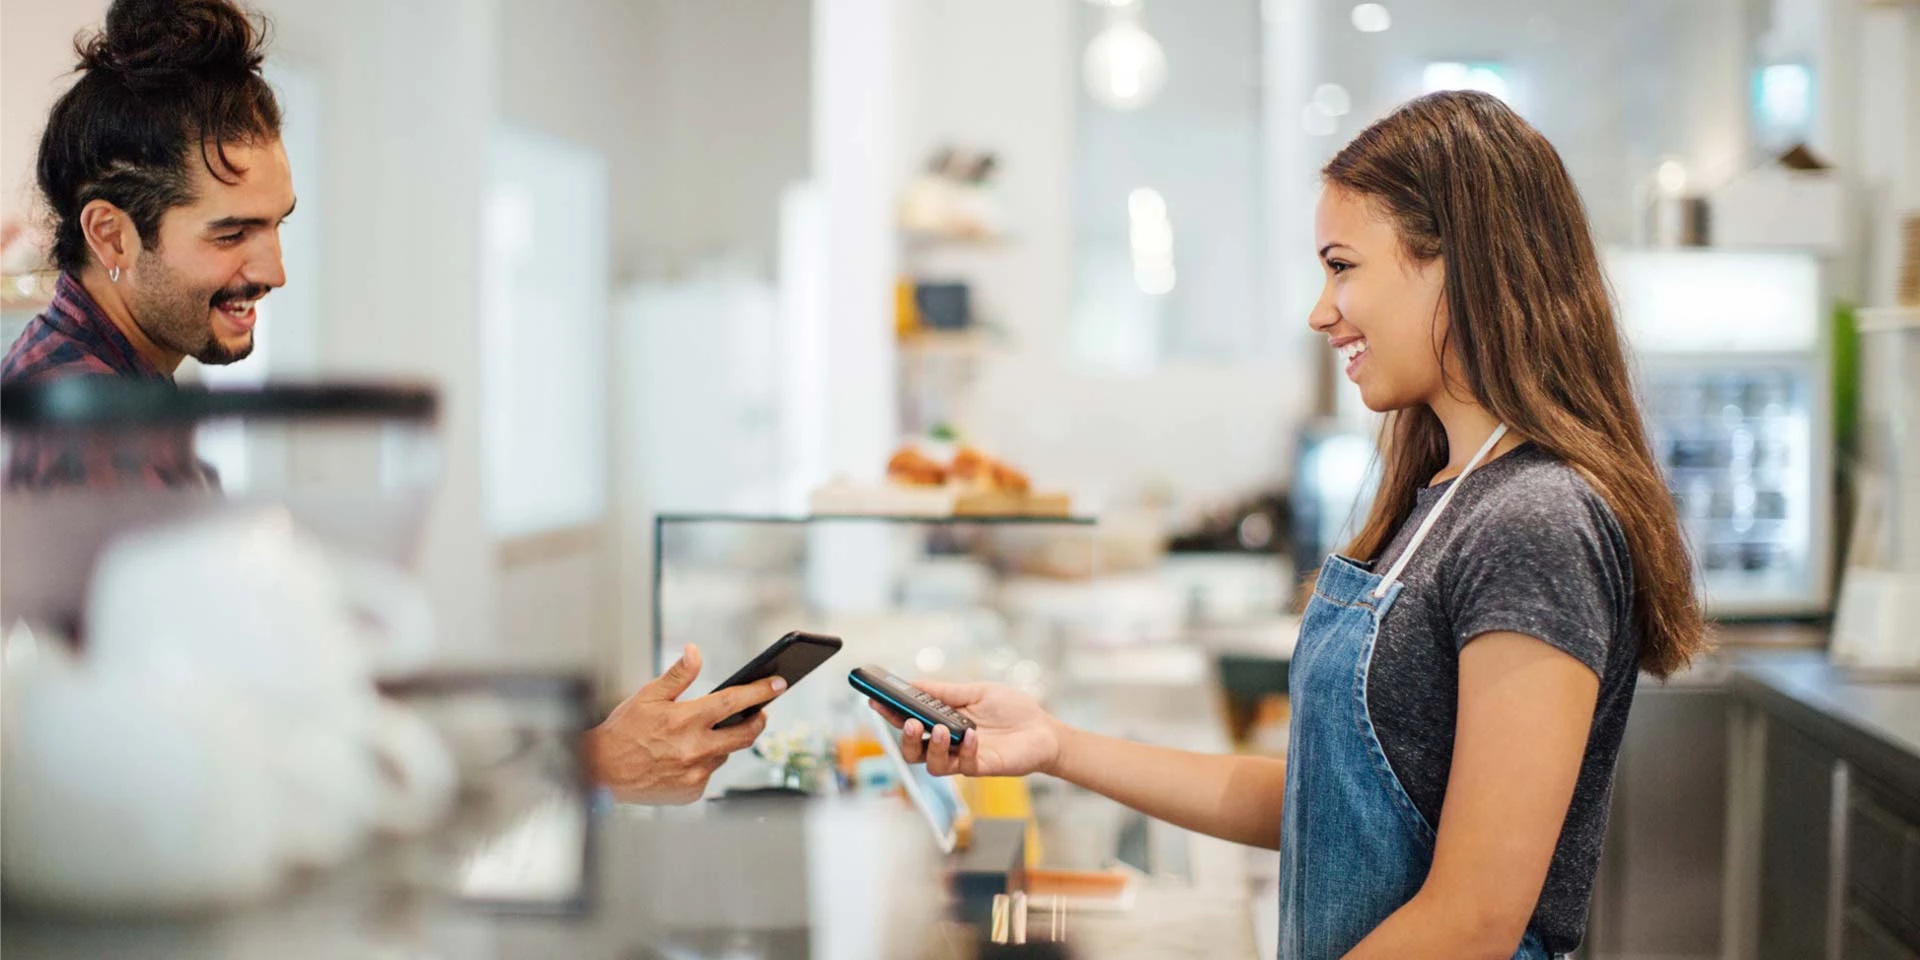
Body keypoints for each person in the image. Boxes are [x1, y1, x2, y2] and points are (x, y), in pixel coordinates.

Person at [876, 91, 1707, 960]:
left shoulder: (1536, 521)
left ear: (1458, 265)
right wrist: (1054, 745)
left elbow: (1473, 920)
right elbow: (1319, 807)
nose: (1321, 311)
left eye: (1342, 266)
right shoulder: (1438, 501)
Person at [4, 0, 777, 804]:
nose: (273, 270)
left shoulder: (111, 383)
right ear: (112, 235)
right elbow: (216, 751)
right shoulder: (87, 425)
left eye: (277, 226)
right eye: (232, 235)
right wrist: (587, 764)